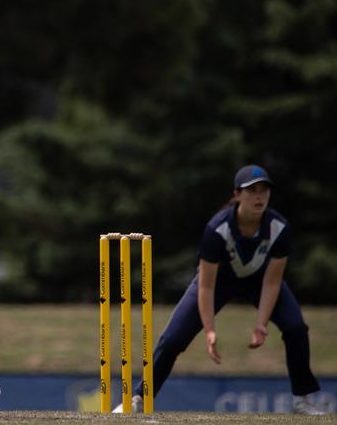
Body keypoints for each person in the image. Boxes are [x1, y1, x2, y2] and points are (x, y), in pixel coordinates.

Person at [113, 164, 325, 415]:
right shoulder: (217, 229)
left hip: (260, 281)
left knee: (296, 328)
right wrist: (210, 329)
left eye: (264, 191)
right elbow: (206, 284)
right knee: (172, 339)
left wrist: (261, 323)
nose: (259, 197)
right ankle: (139, 397)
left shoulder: (279, 228)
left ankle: (302, 400)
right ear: (237, 195)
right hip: (218, 282)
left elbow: (272, 281)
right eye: (252, 191)